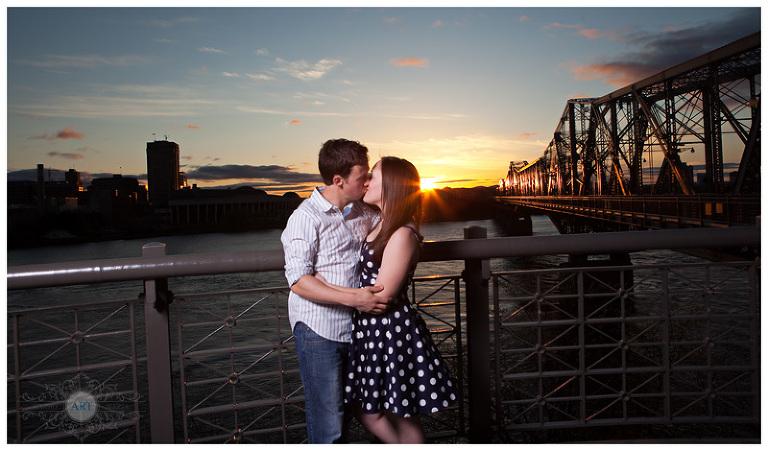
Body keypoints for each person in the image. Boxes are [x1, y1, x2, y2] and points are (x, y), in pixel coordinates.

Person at [317, 156, 458, 443]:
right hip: (372, 331)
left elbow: (382, 295)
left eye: (373, 176)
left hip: (391, 331)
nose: (366, 181)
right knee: (369, 410)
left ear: (391, 186)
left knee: (398, 413)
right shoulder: (380, 223)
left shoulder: (402, 233)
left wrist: (323, 285)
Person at [281, 138, 387, 444]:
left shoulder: (362, 212)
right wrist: (356, 298)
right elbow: (298, 280)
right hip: (319, 330)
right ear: (338, 180)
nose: (367, 182)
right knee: (330, 424)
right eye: (362, 177)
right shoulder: (305, 218)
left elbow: (393, 223)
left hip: (356, 330)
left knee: (353, 413)